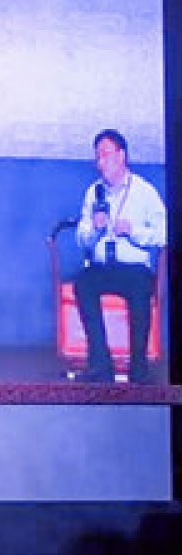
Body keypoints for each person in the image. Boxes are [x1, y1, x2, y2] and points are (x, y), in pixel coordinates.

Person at [74, 129, 166, 384]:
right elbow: (81, 239)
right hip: (102, 267)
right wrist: (94, 229)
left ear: (121, 155)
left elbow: (165, 233)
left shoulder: (144, 192)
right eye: (97, 157)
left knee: (139, 292)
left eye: (105, 155)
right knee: (83, 284)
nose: (100, 162)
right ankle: (100, 365)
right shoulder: (94, 192)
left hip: (134, 269)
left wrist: (134, 231)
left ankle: (139, 369)